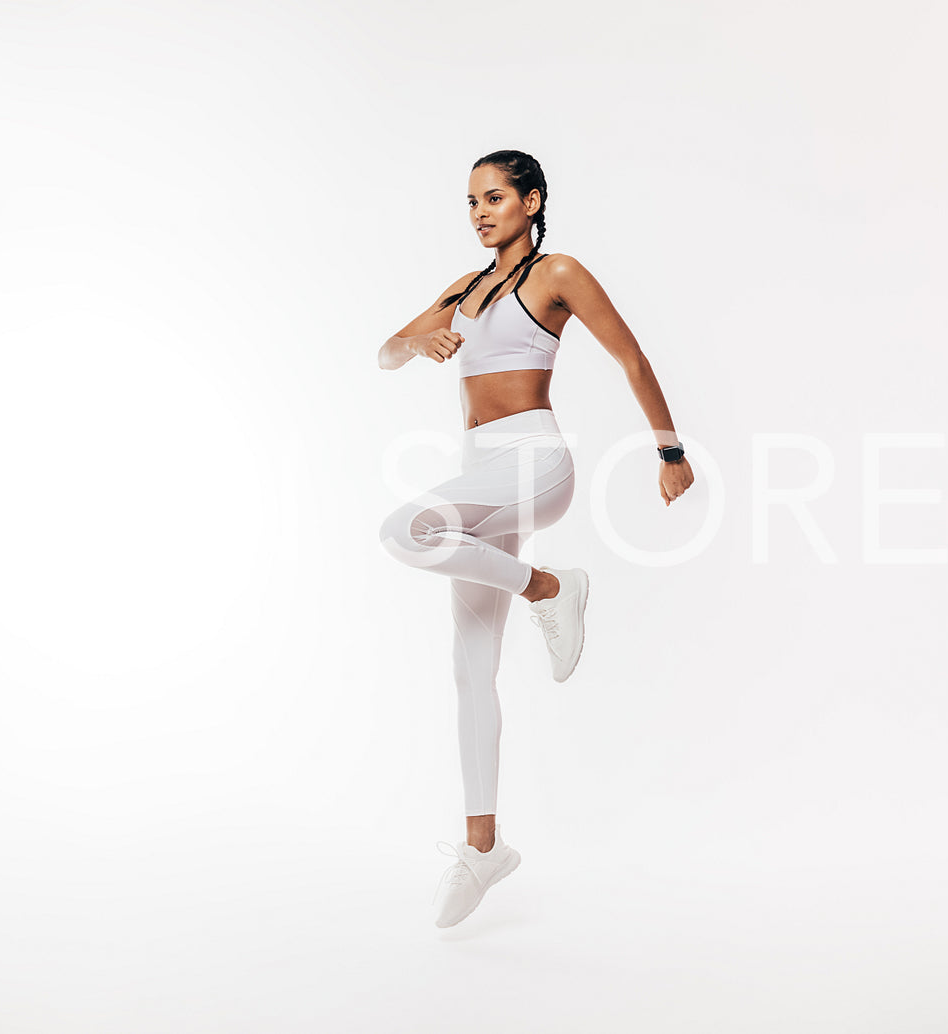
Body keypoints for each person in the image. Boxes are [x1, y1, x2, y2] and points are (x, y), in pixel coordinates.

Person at [376, 150, 694, 928]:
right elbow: (386, 350)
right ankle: (482, 849)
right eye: (471, 201)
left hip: (534, 461)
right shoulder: (465, 288)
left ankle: (551, 587)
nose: (480, 211)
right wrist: (422, 342)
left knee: (404, 528)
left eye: (494, 197)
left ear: (531, 199)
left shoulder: (557, 274)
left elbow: (630, 356)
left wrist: (669, 451)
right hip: (479, 469)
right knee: (470, 672)